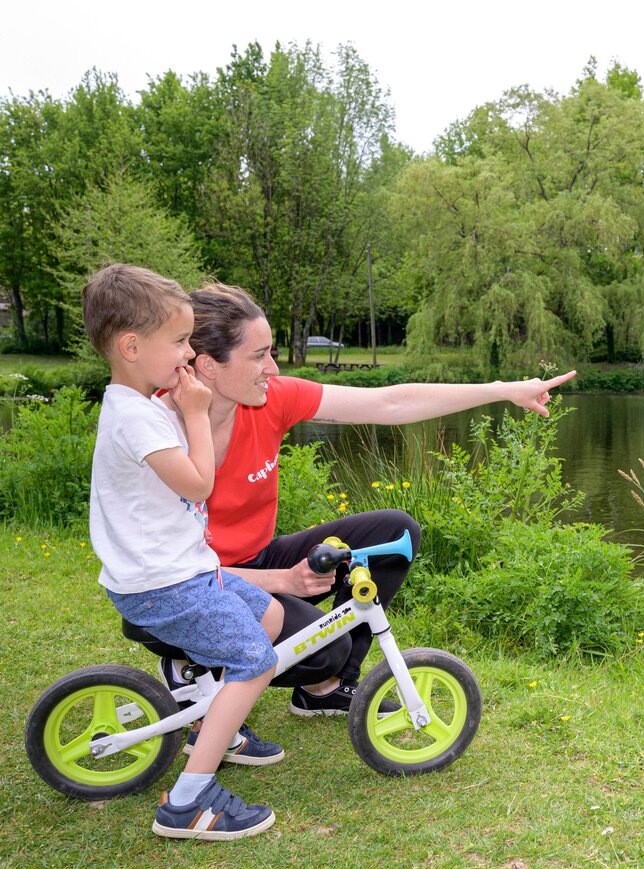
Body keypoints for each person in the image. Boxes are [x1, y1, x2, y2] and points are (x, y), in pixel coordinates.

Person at [161, 282, 574, 716]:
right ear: (207, 366)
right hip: (189, 586)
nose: (273, 369)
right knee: (324, 651)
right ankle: (194, 667)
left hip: (256, 560)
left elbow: (391, 403)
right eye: (258, 356)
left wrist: (502, 389)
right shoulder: (159, 431)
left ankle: (324, 690)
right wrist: (282, 582)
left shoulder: (270, 400)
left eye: (272, 352)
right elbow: (167, 574)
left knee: (395, 533)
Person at [82, 264, 283, 841]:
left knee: (267, 616)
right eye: (178, 342)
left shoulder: (145, 403)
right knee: (256, 661)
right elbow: (199, 484)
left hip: (187, 570)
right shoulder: (135, 418)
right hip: (163, 584)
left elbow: (195, 471)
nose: (188, 354)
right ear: (131, 345)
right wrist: (196, 412)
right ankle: (188, 803)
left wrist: (188, 408)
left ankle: (218, 725)